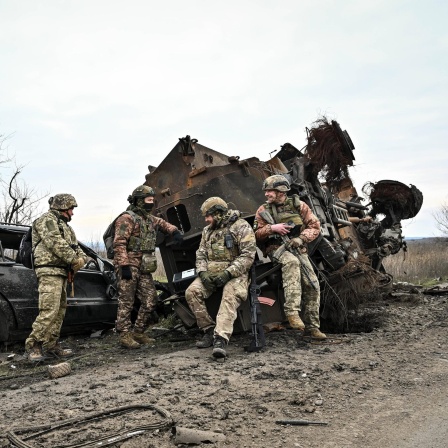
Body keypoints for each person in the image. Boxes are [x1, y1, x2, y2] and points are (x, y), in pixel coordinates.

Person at [253, 175, 326, 340]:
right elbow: (256, 234)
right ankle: (292, 312)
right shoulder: (263, 210)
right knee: (291, 263)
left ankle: (312, 327)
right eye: (266, 191)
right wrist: (272, 228)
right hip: (276, 249)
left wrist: (301, 238)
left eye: (270, 190)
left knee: (312, 284)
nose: (267, 194)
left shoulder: (299, 205)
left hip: (297, 247)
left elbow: (314, 226)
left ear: (281, 191)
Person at [185, 197, 257, 358]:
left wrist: (228, 273)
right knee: (192, 292)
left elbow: (248, 256)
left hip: (236, 273)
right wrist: (202, 273)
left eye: (208, 216)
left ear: (218, 213)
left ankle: (220, 338)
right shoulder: (207, 231)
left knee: (230, 295)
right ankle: (209, 330)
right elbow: (201, 254)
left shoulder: (241, 226)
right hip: (210, 273)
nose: (206, 220)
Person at [113, 185, 183, 349]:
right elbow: (119, 243)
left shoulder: (149, 219)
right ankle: (124, 336)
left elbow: (164, 224)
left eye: (153, 200)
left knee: (150, 300)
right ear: (139, 201)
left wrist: (175, 232)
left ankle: (138, 332)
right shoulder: (126, 219)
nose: (151, 203)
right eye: (148, 200)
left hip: (144, 266)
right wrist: (124, 266)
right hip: (129, 265)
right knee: (126, 302)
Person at [25, 194, 87, 362]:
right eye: (71, 209)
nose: (72, 213)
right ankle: (33, 346)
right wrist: (75, 260)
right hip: (49, 271)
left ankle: (51, 345)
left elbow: (76, 247)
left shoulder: (66, 227)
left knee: (59, 311)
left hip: (61, 272)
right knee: (48, 310)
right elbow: (55, 243)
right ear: (62, 207)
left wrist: (82, 258)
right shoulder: (46, 220)